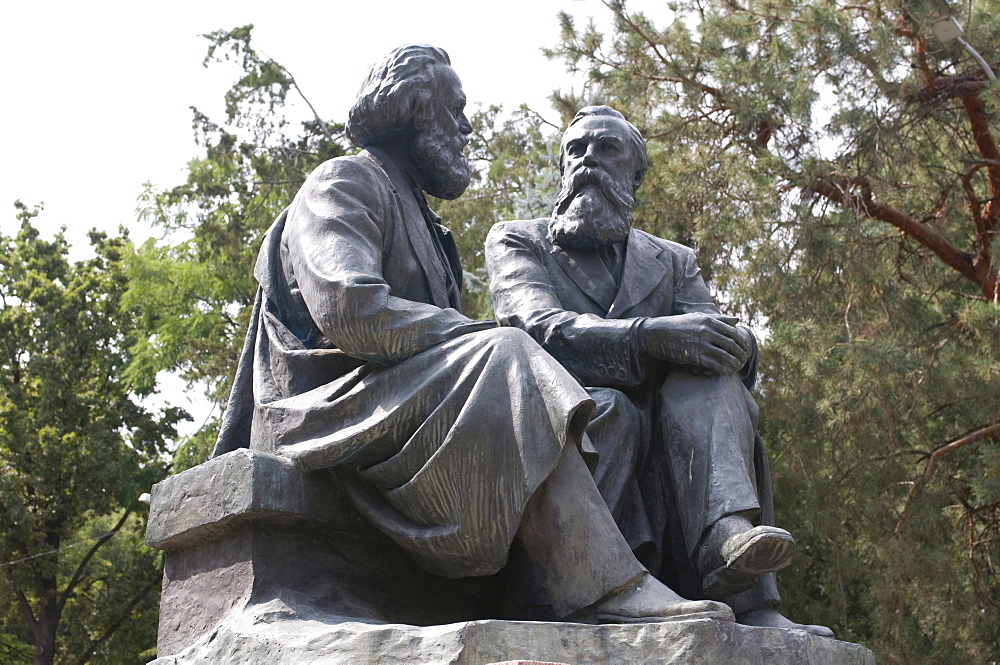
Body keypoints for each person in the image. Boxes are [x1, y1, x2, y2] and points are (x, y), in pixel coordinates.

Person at [211, 46, 731, 625]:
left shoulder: (426, 221)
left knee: (605, 406)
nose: (465, 128)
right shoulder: (345, 181)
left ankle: (552, 599)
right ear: (413, 111)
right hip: (329, 408)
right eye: (455, 110)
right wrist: (478, 335)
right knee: (510, 351)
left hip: (394, 403)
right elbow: (350, 309)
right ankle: (607, 589)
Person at [485, 105, 833, 636]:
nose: (588, 162)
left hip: (671, 434)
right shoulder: (519, 240)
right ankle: (587, 586)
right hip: (568, 415)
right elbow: (536, 330)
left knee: (713, 374)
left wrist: (730, 342)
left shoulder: (673, 260)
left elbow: (723, 331)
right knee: (612, 409)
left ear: (635, 174)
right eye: (575, 151)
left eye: (607, 150)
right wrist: (653, 335)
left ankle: (733, 550)